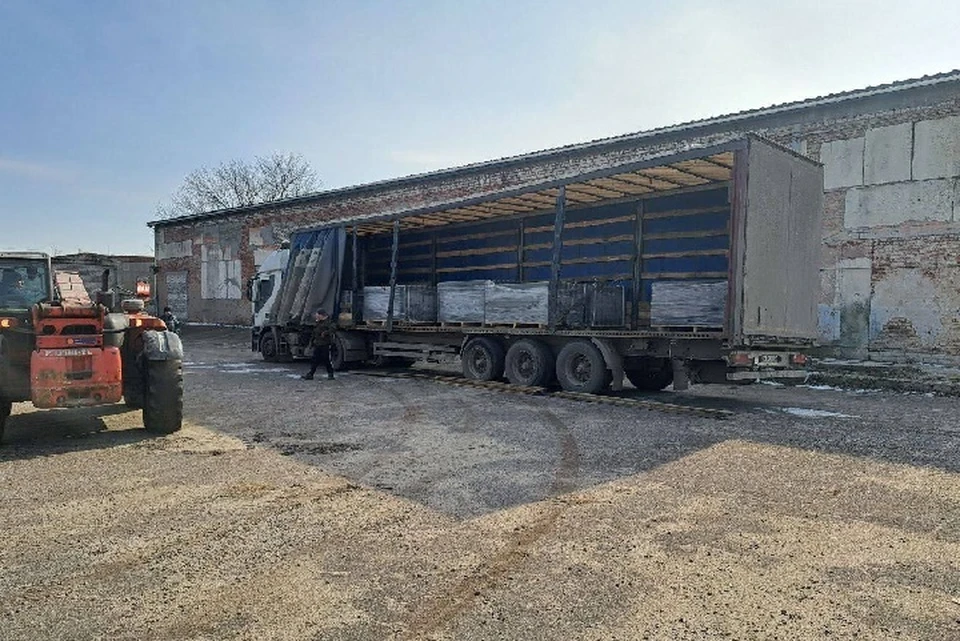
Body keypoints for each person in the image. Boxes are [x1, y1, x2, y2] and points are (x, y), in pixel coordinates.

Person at [301, 308, 335, 380]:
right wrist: (311, 343)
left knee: (326, 359)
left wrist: (325, 333)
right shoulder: (318, 322)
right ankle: (310, 374)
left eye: (317, 315)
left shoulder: (328, 322)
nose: (316, 317)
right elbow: (314, 333)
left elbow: (333, 329)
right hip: (318, 343)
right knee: (314, 359)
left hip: (325, 344)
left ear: (321, 315)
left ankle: (330, 374)